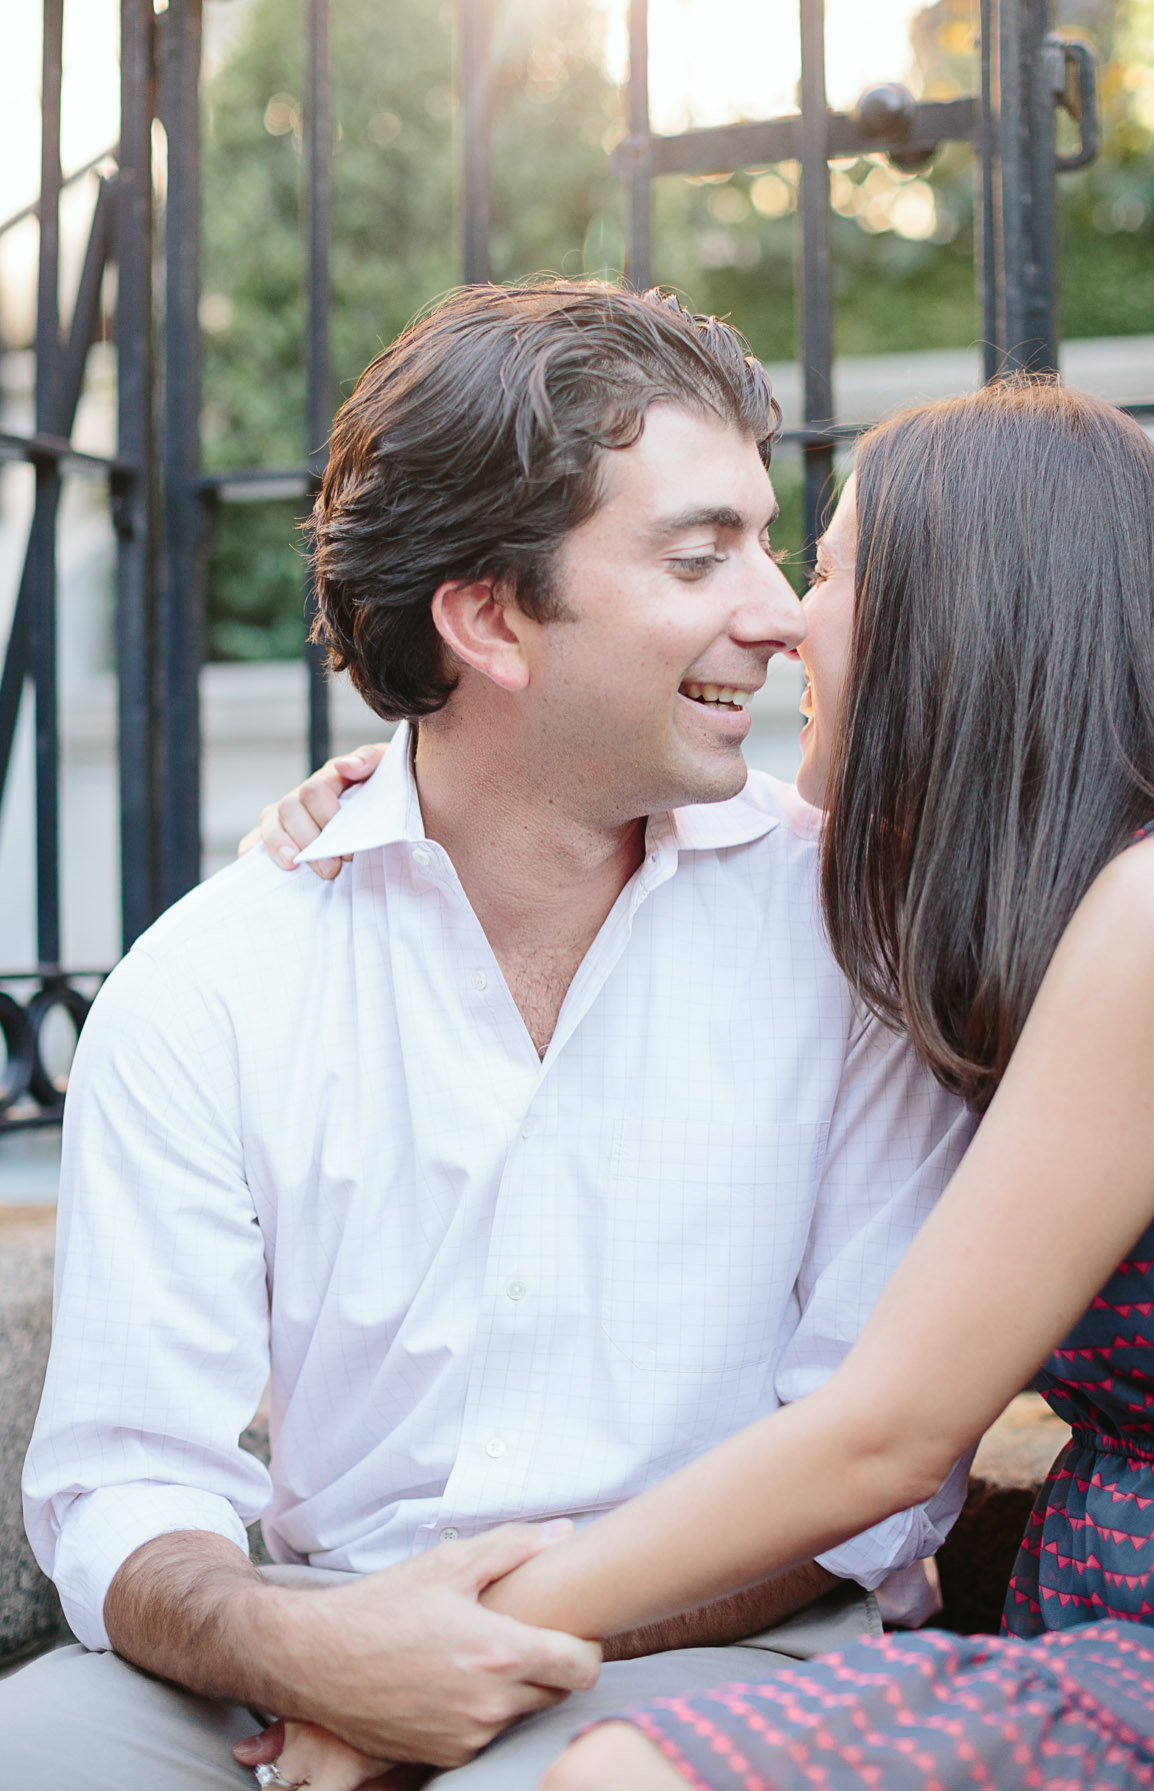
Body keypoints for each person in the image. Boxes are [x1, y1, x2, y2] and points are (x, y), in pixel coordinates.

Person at [2, 282, 979, 1789]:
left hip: (730, 1645)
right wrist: (317, 1656)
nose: (777, 611)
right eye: (701, 551)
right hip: (307, 1630)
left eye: (769, 544)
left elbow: (867, 1475)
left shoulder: (847, 940)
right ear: (486, 617)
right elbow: (126, 1486)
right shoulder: (211, 983)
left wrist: (461, 1668)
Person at [242, 375, 1154, 1791]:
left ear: (968, 605)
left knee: (613, 1778)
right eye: (722, 561)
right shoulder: (995, 908)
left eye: (823, 567)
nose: (779, 617)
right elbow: (558, 805)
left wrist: (427, 1661)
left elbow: (886, 1434)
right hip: (1090, 1612)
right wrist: (411, 798)